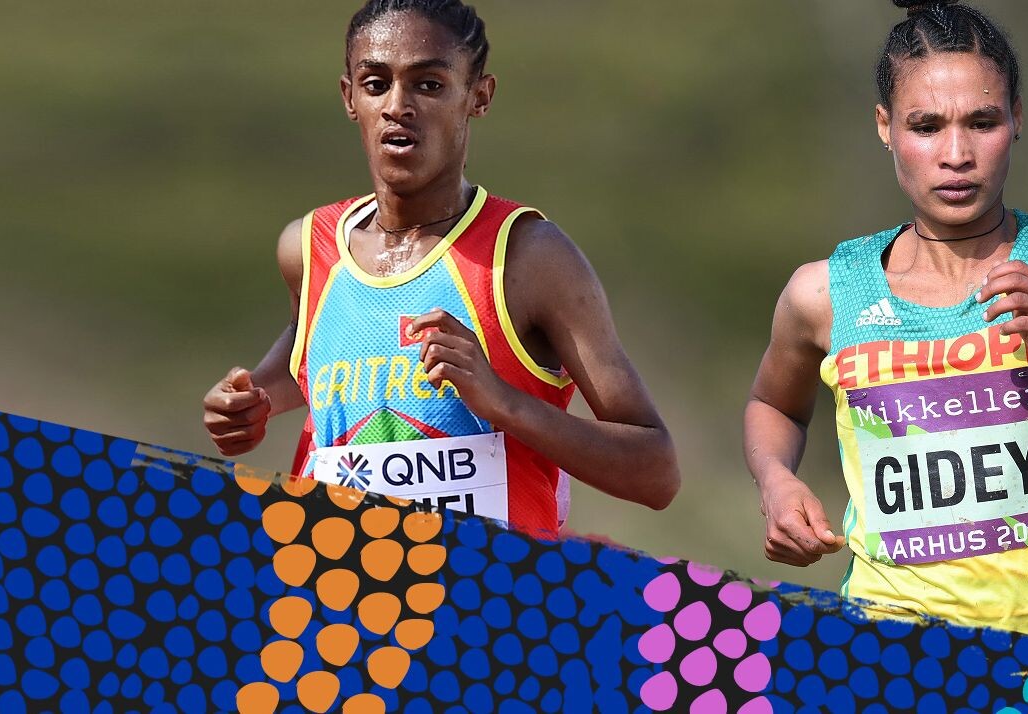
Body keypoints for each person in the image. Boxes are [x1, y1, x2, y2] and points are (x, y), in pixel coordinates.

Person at [742, 0, 1028, 654]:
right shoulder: (825, 292)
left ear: (1017, 118)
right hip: (883, 659)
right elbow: (772, 404)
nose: (956, 154)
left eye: (982, 121)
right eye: (925, 126)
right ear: (885, 127)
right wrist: (777, 480)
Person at [200, 0, 679, 533]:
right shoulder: (308, 247)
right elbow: (311, 347)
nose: (397, 106)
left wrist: (502, 401)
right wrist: (256, 400)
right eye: (376, 84)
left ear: (479, 97)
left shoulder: (528, 257)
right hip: (332, 573)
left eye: (428, 85)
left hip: (484, 584)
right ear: (349, 98)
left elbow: (655, 473)